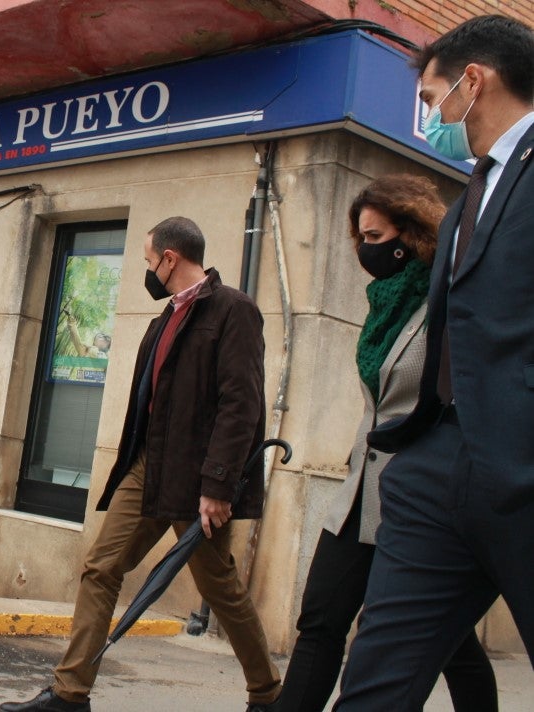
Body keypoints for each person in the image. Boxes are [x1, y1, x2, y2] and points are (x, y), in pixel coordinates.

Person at [0, 216, 281, 712]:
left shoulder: (233, 310)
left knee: (218, 584)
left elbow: (242, 404)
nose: (147, 272)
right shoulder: (162, 320)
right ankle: (69, 694)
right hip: (149, 467)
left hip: (198, 476)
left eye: (150, 261)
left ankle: (268, 693)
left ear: (170, 258)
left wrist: (218, 484)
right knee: (101, 567)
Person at [333, 14, 534, 710]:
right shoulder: (468, 197)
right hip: (437, 470)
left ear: (473, 81)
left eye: (431, 99)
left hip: (523, 467)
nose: (430, 119)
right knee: (374, 682)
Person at [276, 175, 497, 712]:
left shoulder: (448, 298)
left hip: (420, 496)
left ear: (411, 233)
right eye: (362, 239)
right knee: (321, 619)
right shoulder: (383, 306)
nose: (367, 251)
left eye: (376, 237)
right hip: (360, 491)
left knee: (450, 645)